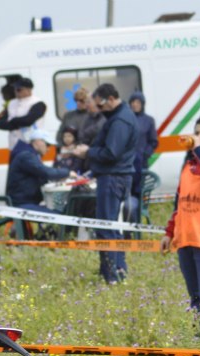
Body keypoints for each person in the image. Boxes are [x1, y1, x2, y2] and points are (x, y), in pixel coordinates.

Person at [161, 116, 200, 331]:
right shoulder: (189, 165)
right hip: (185, 237)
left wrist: (199, 149)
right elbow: (178, 202)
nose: (199, 137)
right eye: (197, 133)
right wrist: (169, 232)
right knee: (194, 293)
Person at [73, 83, 137, 284]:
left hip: (113, 177)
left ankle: (114, 275)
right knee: (108, 226)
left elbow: (111, 153)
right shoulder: (117, 117)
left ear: (110, 99)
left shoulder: (120, 121)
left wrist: (88, 152)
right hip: (110, 176)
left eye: (100, 106)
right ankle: (112, 271)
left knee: (106, 227)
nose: (99, 111)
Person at [5, 130, 73, 213]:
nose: (48, 149)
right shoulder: (26, 156)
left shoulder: (29, 154)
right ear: (37, 142)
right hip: (22, 204)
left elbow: (43, 176)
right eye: (47, 145)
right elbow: (46, 172)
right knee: (61, 214)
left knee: (62, 211)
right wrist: (68, 173)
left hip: (25, 201)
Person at [128, 91, 159, 225]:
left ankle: (137, 223)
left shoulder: (148, 120)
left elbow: (153, 141)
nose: (135, 105)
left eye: (138, 102)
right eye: (132, 102)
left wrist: (145, 154)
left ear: (142, 104)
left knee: (138, 194)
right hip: (127, 164)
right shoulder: (126, 119)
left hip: (141, 165)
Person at [0, 77, 46, 150]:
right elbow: (1, 123)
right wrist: (16, 124)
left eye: (19, 89)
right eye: (15, 89)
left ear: (28, 90)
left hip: (31, 145)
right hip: (14, 145)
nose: (16, 92)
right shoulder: (11, 103)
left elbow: (28, 121)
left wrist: (12, 121)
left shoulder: (38, 103)